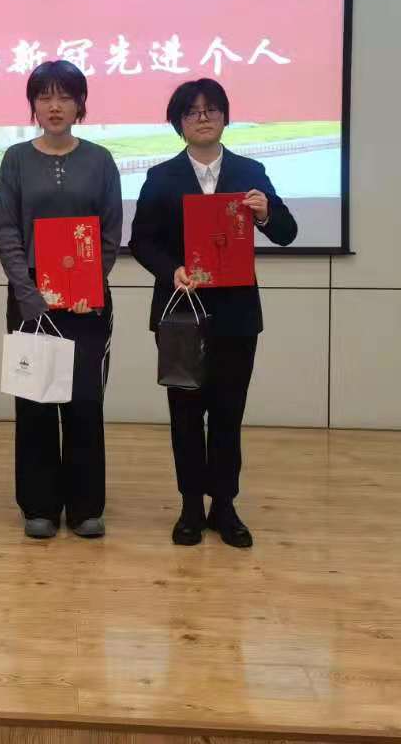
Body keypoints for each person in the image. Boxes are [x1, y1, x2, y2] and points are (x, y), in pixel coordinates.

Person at [130, 78, 298, 549]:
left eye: (211, 110)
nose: (202, 118)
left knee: (228, 414)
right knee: (185, 414)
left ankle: (224, 505)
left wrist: (265, 213)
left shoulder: (250, 171)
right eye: (192, 111)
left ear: (225, 117)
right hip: (182, 313)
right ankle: (189, 506)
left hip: (236, 316)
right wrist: (172, 270)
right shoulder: (160, 176)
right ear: (178, 123)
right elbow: (141, 241)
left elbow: (287, 231)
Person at [0, 60, 122, 540]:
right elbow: (8, 231)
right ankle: (40, 506)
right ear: (33, 104)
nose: (54, 106)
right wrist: (29, 295)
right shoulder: (15, 159)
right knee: (35, 399)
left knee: (85, 401)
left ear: (80, 105)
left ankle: (86, 506)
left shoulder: (101, 160)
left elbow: (110, 232)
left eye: (65, 96)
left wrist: (88, 286)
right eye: (45, 96)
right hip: (30, 297)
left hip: (87, 300)